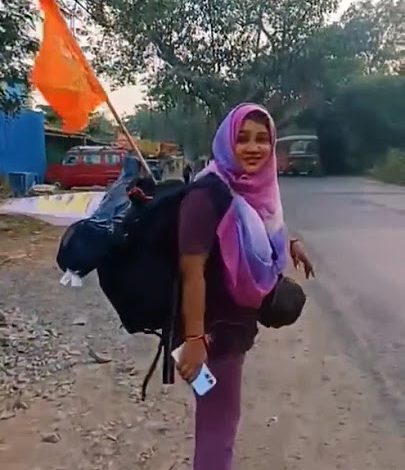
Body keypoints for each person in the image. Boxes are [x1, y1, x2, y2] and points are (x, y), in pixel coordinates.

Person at [177, 103, 314, 470]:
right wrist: (193, 341)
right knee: (218, 427)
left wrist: (291, 242)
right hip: (211, 333)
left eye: (262, 139)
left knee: (217, 418)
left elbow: (260, 222)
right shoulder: (206, 196)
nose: (253, 148)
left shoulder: (247, 187)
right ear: (225, 141)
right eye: (242, 138)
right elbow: (192, 273)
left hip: (231, 329)